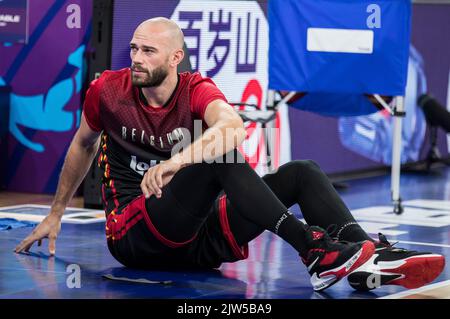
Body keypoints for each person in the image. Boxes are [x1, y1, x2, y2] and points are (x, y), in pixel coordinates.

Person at [15, 18, 444, 292]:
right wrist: (55, 212)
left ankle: (361, 252)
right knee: (216, 157)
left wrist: (176, 161)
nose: (137, 59)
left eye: (148, 51)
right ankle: (314, 251)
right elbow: (81, 145)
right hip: (136, 234)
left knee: (302, 172)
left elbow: (232, 124)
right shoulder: (108, 90)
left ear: (176, 58)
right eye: (134, 49)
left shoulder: (196, 88)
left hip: (198, 239)